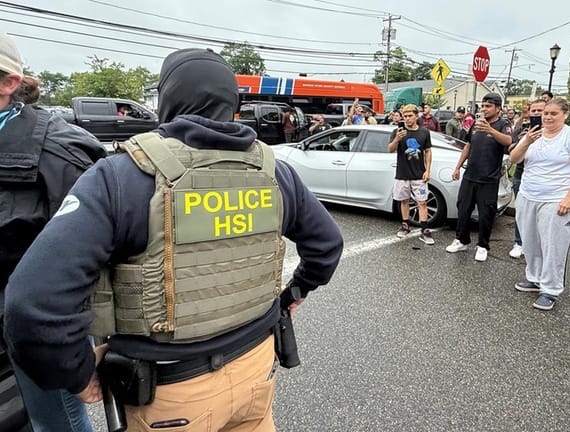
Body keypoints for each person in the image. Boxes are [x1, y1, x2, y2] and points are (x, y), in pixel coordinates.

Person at [4, 47, 344, 430]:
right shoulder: (275, 172)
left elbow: (33, 303)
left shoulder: (122, 176)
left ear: (168, 99)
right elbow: (327, 246)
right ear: (231, 101)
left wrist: (77, 375)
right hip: (257, 370)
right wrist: (294, 294)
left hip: (171, 396)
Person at [0, 33, 106, 432]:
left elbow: (94, 262)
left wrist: (74, 364)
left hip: (35, 335)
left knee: (56, 423)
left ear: (8, 82)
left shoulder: (61, 154)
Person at [508, 98, 570, 311]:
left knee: (554, 245)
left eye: (553, 113)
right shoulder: (533, 135)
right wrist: (526, 141)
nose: (547, 117)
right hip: (529, 195)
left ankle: (550, 289)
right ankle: (535, 278)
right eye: (545, 113)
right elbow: (514, 159)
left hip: (557, 198)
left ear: (565, 114)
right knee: (530, 241)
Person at [445, 93, 513, 262]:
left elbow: (508, 141)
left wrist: (491, 130)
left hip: (489, 178)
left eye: (488, 106)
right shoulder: (476, 124)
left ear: (498, 108)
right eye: (482, 106)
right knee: (463, 209)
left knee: (485, 214)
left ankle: (483, 245)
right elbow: (468, 146)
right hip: (470, 175)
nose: (484, 109)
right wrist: (458, 167)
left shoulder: (503, 124)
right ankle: (461, 240)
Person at [388, 103, 433, 244]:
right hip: (402, 173)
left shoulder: (424, 132)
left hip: (419, 174)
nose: (407, 118)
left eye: (410, 116)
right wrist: (397, 139)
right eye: (405, 116)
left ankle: (424, 230)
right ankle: (405, 225)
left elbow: (428, 151)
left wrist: (428, 170)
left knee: (422, 202)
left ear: (416, 116)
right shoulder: (397, 131)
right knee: (404, 200)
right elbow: (390, 149)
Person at [507, 99, 546, 259]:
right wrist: (525, 140)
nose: (536, 113)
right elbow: (511, 151)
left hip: (544, 179)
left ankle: (539, 244)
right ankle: (519, 242)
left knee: (542, 215)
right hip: (521, 176)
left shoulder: (552, 132)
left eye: (540, 110)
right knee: (522, 212)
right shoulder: (521, 130)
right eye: (533, 110)